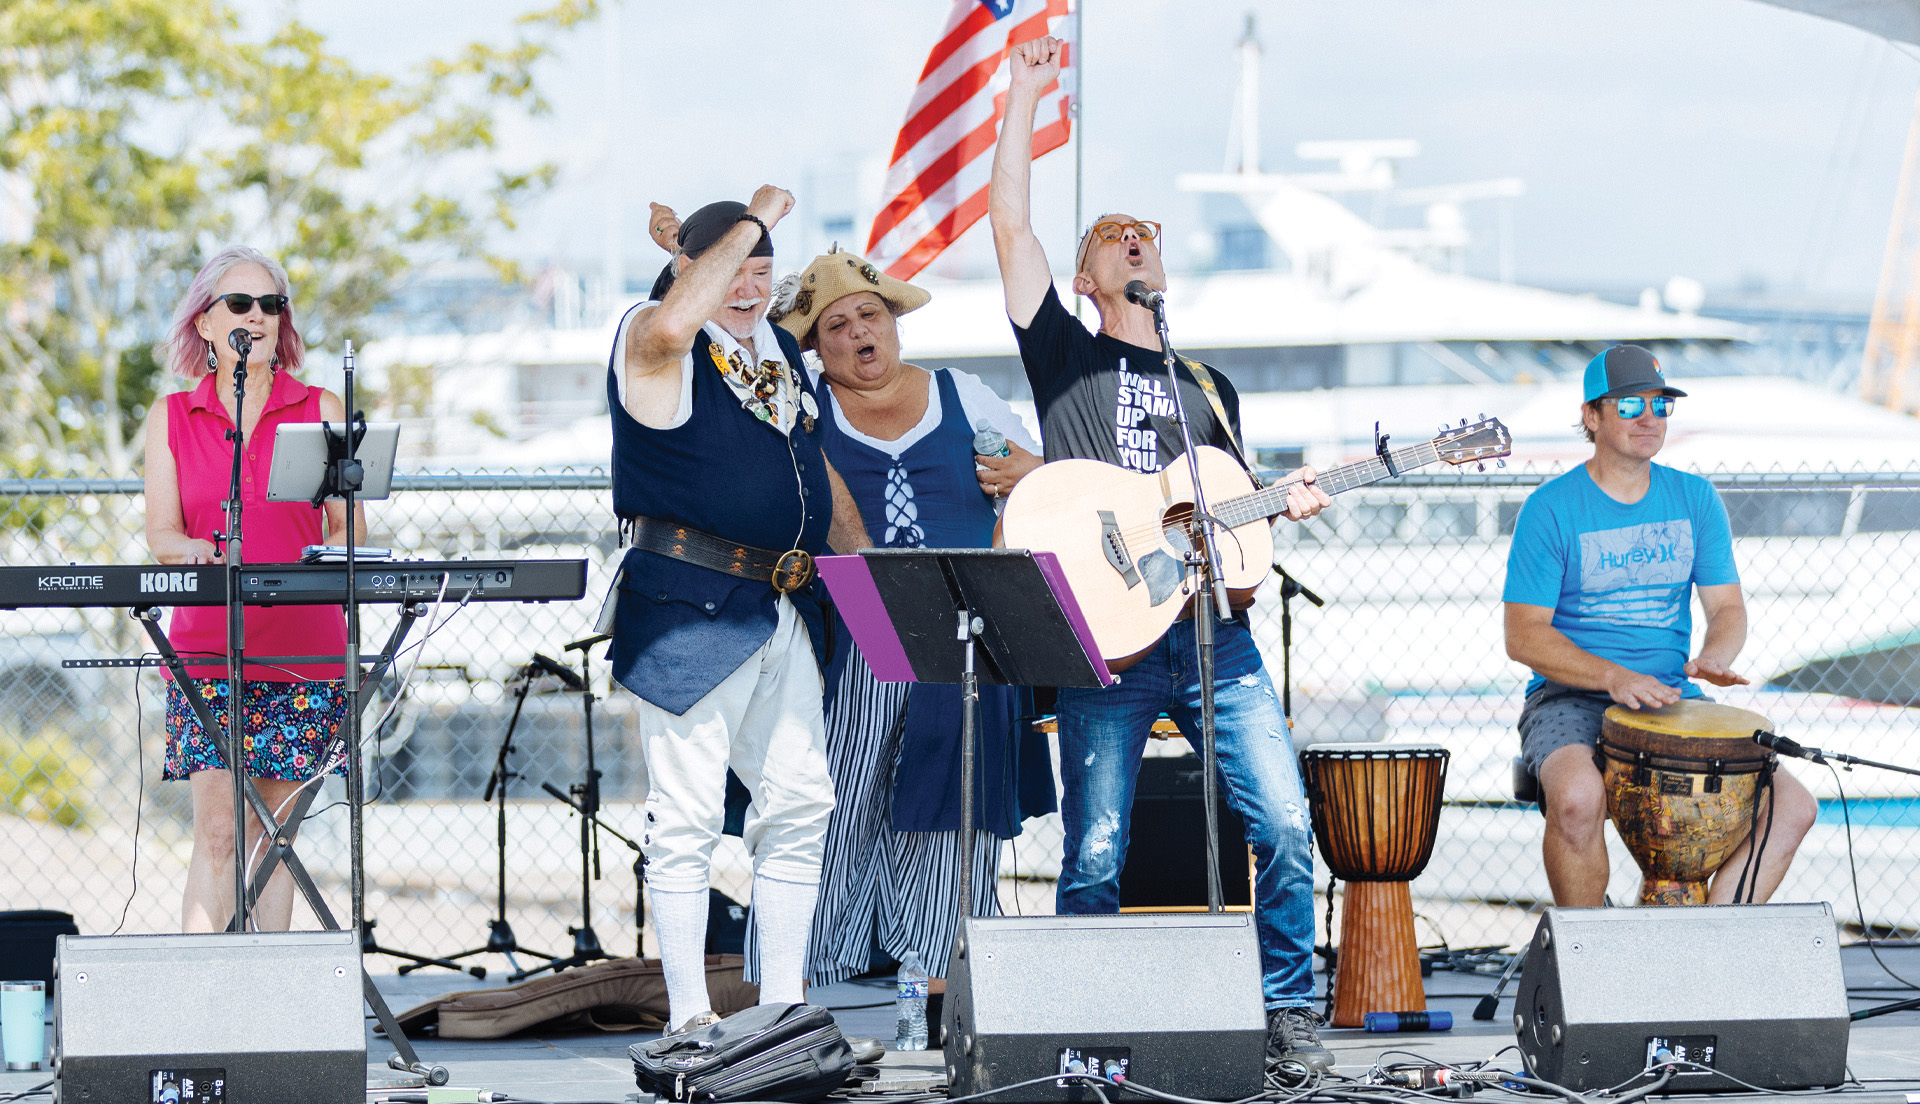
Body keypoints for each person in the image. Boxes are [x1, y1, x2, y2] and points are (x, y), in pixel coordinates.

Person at [988, 37, 1336, 1074]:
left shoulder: (1208, 386)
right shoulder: (1065, 353)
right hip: (1110, 644)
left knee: (1281, 821)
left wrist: (1288, 504)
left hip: (1213, 636)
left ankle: (1286, 1010)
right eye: (1113, 238)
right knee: (1096, 848)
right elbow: (1010, 224)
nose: (1134, 241)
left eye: (1147, 235)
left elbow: (1230, 506)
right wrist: (1023, 94)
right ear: (1090, 277)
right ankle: (1088, 1021)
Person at [745, 247, 1055, 1011]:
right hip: (849, 641)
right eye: (838, 325)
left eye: (870, 315)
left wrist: (1029, 476)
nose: (860, 333)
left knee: (953, 805)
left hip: (964, 636)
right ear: (815, 345)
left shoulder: (965, 394)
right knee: (828, 800)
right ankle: (797, 985)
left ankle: (943, 983)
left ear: (895, 323)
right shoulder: (803, 405)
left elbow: (1041, 491)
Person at [607, 187, 869, 1035]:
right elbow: (674, 325)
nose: (752, 286)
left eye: (764, 269)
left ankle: (785, 1013)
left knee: (800, 804)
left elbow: (814, 465)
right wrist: (749, 218)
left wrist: (864, 570)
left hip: (782, 601)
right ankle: (689, 1022)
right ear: (687, 267)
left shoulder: (776, 355)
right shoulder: (651, 337)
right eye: (734, 267)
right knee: (683, 819)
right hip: (689, 602)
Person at [1503, 343, 1815, 906]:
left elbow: (1727, 610)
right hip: (1568, 698)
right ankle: (1589, 966)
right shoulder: (1549, 509)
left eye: (1660, 405)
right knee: (1575, 798)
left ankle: (1707, 948)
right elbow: (1523, 634)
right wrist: (1612, 677)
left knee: (1793, 806)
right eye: (1628, 405)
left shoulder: (1694, 499)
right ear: (1591, 416)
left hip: (1671, 696)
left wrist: (1716, 654)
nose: (1649, 418)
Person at [144, 245, 367, 933]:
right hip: (209, 651)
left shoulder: (319, 406)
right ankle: (200, 1014)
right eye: (240, 304)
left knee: (276, 840)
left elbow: (349, 528)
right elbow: (163, 534)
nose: (259, 317)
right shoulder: (173, 417)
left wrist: (347, 503)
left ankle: (268, 1017)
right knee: (219, 833)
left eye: (271, 304)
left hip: (307, 653)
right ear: (206, 323)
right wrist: (199, 552)